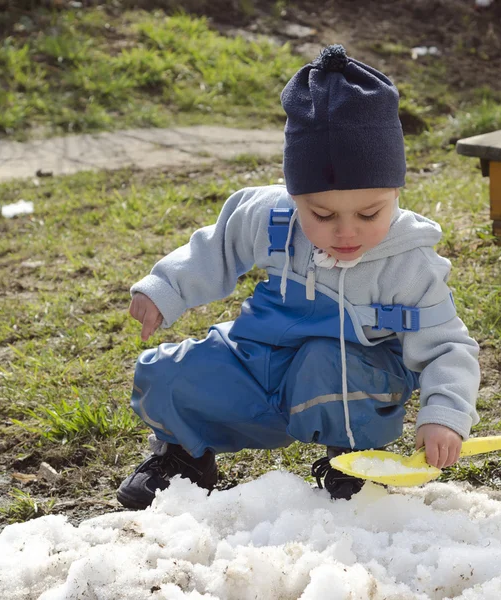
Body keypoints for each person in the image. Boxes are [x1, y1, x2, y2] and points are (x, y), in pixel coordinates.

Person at [116, 44, 480, 510]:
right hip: (265, 359)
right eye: (322, 214)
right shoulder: (270, 218)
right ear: (294, 194)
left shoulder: (409, 263)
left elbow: (449, 346)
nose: (346, 232)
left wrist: (444, 415)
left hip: (352, 378)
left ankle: (353, 460)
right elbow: (217, 246)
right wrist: (165, 287)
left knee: (324, 362)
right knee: (169, 374)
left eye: (369, 213)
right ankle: (184, 460)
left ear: (395, 192)